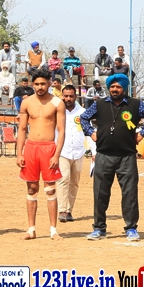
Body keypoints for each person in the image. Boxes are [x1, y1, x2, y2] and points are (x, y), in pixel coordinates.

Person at [80, 73, 144, 241]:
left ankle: (131, 228)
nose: (114, 89)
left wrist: (142, 133)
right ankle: (99, 228)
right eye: (112, 86)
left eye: (118, 86)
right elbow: (84, 118)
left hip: (127, 156)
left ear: (124, 88)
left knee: (130, 194)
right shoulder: (99, 104)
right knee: (100, 193)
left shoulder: (135, 105)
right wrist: (91, 132)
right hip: (103, 155)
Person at [16, 69, 66, 240]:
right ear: (32, 84)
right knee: (32, 188)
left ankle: (53, 230)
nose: (40, 87)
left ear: (49, 83)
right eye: (37, 84)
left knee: (50, 189)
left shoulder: (57, 103)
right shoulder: (26, 103)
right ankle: (31, 229)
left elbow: (61, 130)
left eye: (43, 84)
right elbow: (22, 129)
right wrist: (19, 153)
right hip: (31, 148)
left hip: (48, 148)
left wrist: (56, 154)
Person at [58, 84, 92, 223]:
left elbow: (89, 132)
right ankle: (62, 210)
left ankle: (69, 211)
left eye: (71, 96)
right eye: (66, 96)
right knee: (63, 179)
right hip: (62, 151)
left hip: (78, 152)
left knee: (74, 182)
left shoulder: (83, 112)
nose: (68, 98)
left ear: (75, 96)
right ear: (62, 96)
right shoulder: (57, 111)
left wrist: (93, 151)